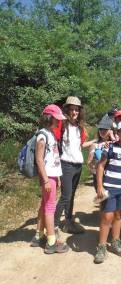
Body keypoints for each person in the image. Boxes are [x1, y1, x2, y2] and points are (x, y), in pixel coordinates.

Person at [54, 96, 96, 235]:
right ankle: (53, 226)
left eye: (76, 110)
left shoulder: (79, 128)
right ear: (66, 110)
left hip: (78, 166)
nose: (74, 112)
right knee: (65, 196)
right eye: (71, 109)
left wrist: (96, 140)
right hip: (66, 165)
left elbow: (81, 145)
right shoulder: (61, 125)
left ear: (80, 112)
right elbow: (54, 142)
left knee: (71, 195)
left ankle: (68, 222)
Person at [31, 104, 69, 254]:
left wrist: (57, 177)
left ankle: (38, 235)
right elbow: (39, 159)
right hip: (48, 177)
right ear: (49, 118)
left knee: (44, 205)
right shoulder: (43, 135)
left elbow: (53, 158)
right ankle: (52, 241)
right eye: (56, 119)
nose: (59, 121)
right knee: (49, 208)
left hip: (52, 176)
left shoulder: (50, 133)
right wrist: (46, 180)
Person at [94, 120, 121, 264]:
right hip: (109, 188)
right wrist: (99, 186)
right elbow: (100, 167)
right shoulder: (109, 148)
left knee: (118, 215)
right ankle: (102, 246)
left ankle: (115, 241)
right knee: (107, 217)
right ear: (117, 133)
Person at [87, 116, 113, 192]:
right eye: (101, 129)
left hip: (111, 177)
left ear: (110, 131)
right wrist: (94, 161)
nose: (102, 131)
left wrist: (112, 137)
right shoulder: (94, 145)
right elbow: (89, 164)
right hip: (98, 177)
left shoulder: (115, 143)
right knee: (103, 202)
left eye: (105, 129)